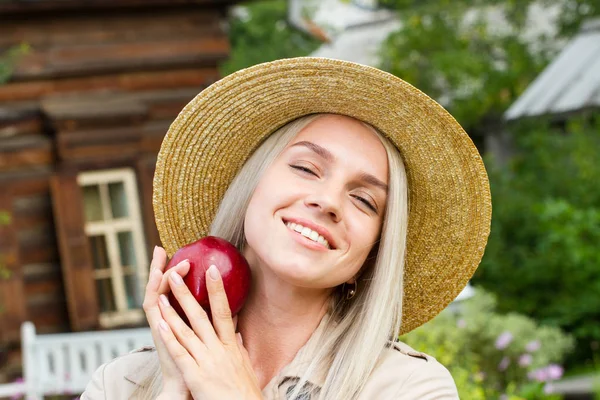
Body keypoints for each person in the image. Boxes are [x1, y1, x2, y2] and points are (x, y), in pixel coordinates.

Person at [81, 57, 491, 400]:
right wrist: (174, 389)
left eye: (364, 200)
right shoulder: (120, 385)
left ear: (374, 251)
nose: (328, 201)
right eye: (305, 168)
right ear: (250, 187)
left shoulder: (407, 388)